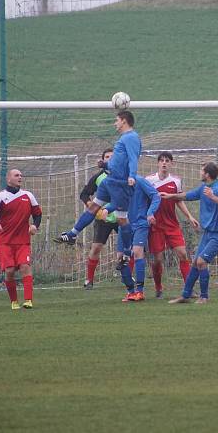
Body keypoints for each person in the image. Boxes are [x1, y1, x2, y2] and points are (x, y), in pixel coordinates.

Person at [54, 111, 141, 258]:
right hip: (109, 181)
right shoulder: (124, 137)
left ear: (124, 121)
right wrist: (105, 165)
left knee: (121, 219)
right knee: (94, 207)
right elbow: (119, 161)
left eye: (117, 120)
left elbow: (133, 158)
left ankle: (127, 252)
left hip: (120, 185)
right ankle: (72, 234)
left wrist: (132, 176)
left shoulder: (131, 137)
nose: (115, 123)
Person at [165, 162, 218, 304]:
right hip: (208, 232)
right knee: (196, 263)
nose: (200, 173)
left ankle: (204, 297)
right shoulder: (204, 187)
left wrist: (213, 197)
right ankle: (185, 295)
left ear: (207, 174)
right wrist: (170, 196)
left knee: (201, 262)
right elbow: (188, 195)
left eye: (201, 171)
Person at [0, 169, 43, 310]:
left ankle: (28, 300)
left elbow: (38, 214)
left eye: (21, 175)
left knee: (25, 267)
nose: (20, 177)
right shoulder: (0, 196)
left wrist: (35, 226)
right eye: (16, 175)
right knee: (10, 271)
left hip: (23, 241)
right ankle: (14, 302)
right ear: (8, 179)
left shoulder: (28, 196)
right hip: (4, 242)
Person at [146, 152, 199, 298]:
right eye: (161, 160)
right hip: (155, 226)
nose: (164, 163)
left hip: (171, 224)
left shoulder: (176, 181)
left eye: (167, 161)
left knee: (183, 254)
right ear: (157, 163)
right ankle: (158, 287)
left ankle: (189, 289)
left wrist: (189, 216)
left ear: (171, 164)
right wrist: (147, 215)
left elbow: (179, 200)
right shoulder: (149, 180)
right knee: (158, 259)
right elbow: (144, 200)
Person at [106, 176, 161, 302]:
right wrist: (105, 210)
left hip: (141, 223)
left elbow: (156, 196)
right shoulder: (117, 182)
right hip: (124, 225)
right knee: (121, 257)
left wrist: (150, 212)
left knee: (137, 252)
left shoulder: (140, 181)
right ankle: (131, 292)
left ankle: (140, 291)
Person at [78, 148, 124, 290]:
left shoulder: (124, 175)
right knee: (96, 247)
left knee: (128, 248)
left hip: (121, 217)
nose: (110, 159)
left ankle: (126, 276)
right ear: (103, 160)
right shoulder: (98, 177)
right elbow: (84, 194)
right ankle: (89, 280)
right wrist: (91, 206)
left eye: (113, 157)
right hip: (103, 218)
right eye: (107, 157)